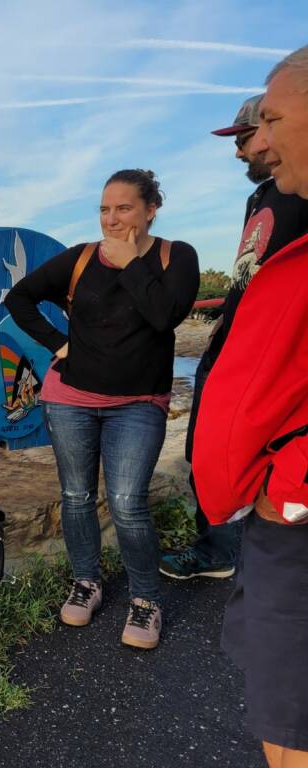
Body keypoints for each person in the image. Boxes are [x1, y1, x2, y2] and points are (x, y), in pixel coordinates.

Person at [6, 170, 199, 650]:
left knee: (129, 504)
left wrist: (133, 263)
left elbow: (165, 315)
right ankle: (87, 581)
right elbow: (20, 298)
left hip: (138, 403)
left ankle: (146, 600)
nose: (112, 219)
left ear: (151, 209)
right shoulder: (81, 257)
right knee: (75, 496)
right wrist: (58, 343)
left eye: (124, 208)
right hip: (70, 398)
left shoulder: (177, 256)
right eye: (104, 209)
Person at [193, 44, 308, 768]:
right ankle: (219, 537)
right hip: (269, 472)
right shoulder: (260, 200)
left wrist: (289, 488)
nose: (248, 146)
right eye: (245, 134)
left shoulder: (296, 196)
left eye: (261, 126)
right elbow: (254, 286)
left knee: (288, 696)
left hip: (292, 497)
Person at [160, 95, 308, 580]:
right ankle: (221, 547)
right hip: (229, 350)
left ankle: (246, 554)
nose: (239, 151)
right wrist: (229, 306)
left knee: (262, 449)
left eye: (243, 138)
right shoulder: (262, 196)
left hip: (272, 359)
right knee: (205, 446)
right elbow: (259, 275)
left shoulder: (300, 189)